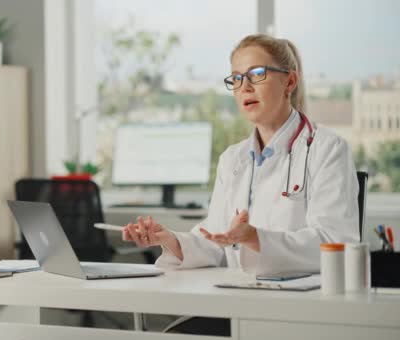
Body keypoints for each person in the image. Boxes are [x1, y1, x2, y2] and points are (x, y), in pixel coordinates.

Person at [123, 33, 359, 277]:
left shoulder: (327, 150)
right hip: (237, 297)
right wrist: (170, 240)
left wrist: (255, 239)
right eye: (236, 78)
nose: (244, 86)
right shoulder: (232, 159)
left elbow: (335, 243)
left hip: (299, 302)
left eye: (257, 74)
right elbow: (216, 242)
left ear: (289, 82)